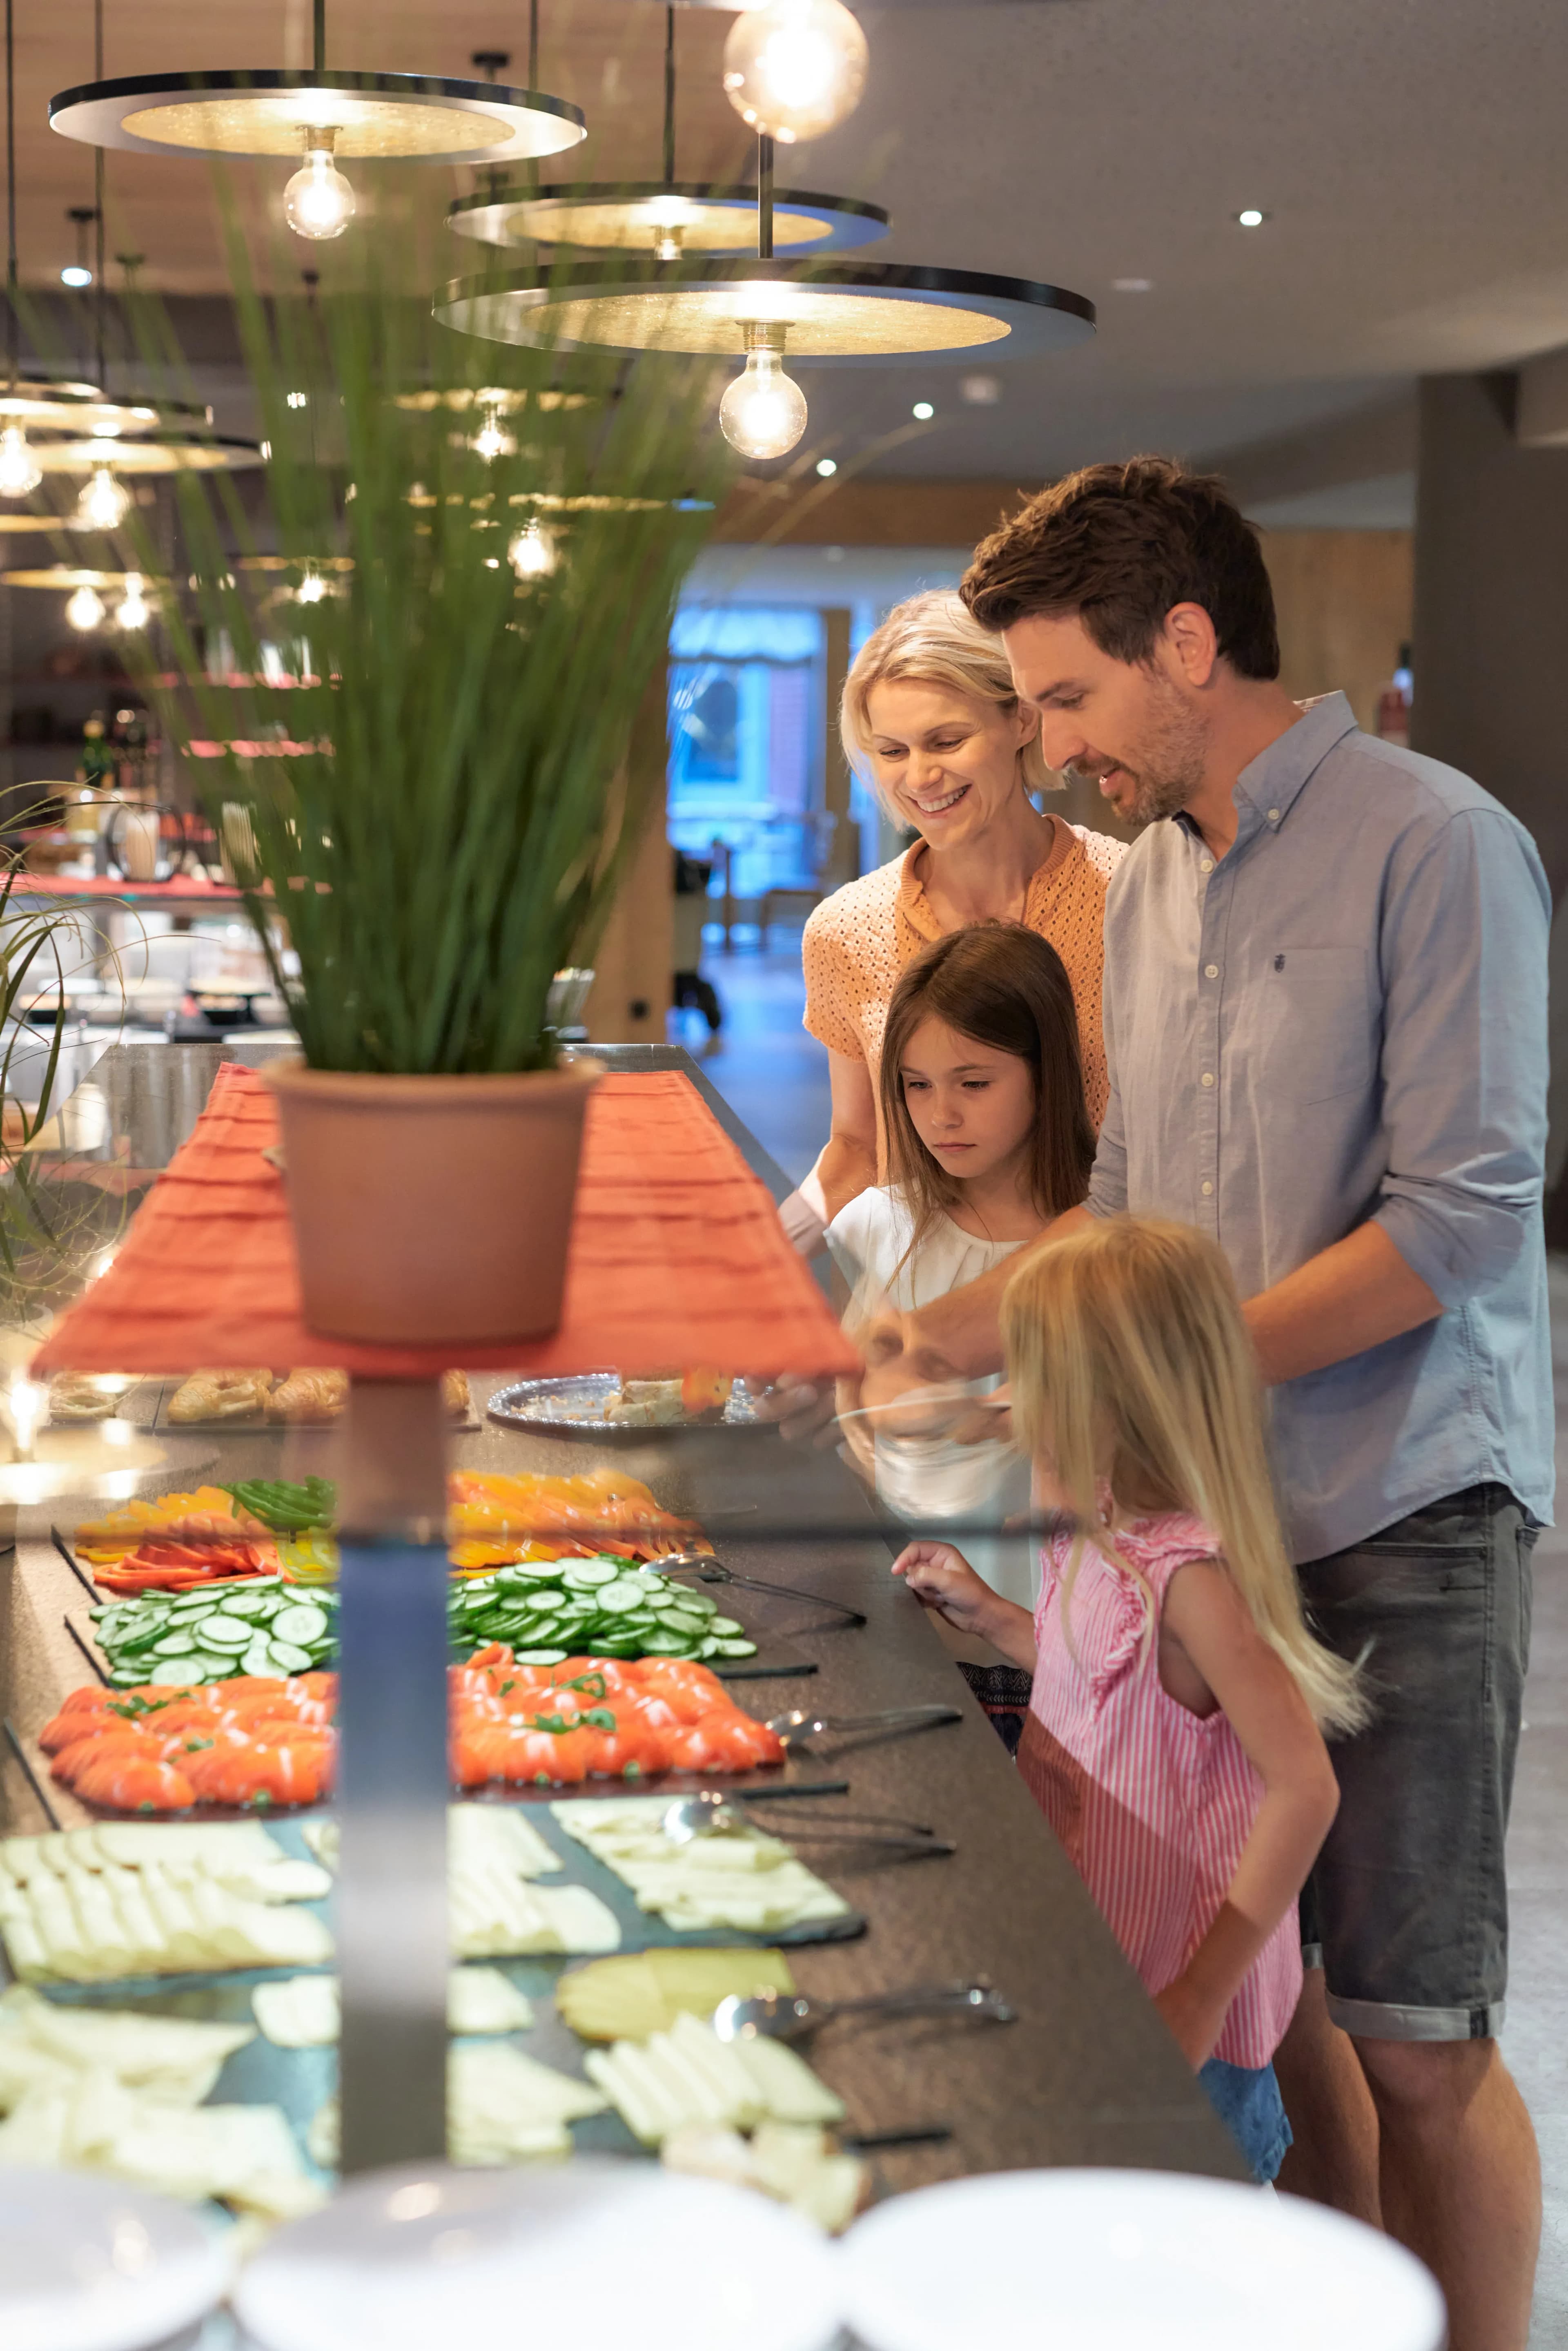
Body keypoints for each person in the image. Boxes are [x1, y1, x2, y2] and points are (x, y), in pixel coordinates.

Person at [868, 456, 1551, 2351]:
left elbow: (1463, 1229)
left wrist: (1156, 1364)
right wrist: (951, 1338)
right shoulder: (1154, 889)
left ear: (1187, 644)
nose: (1054, 748)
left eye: (1069, 697)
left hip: (1404, 1502)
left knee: (1415, 2035)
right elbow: (1132, 1221)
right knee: (1273, 1997)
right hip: (1207, 1516)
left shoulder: (1438, 842)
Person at [894, 1216, 1358, 2184]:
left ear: (1119, 1400)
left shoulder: (1194, 1580)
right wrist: (992, 1616)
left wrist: (1200, 1989)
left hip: (1182, 2006)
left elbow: (1305, 1789)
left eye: (1039, 1383)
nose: (1016, 1409)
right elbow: (1096, 1678)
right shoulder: (1090, 1532)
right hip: (1099, 1956)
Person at [779, 589, 1123, 1257]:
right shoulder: (844, 930)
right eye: (891, 751)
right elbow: (858, 1147)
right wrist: (766, 1252)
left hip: (1093, 1285)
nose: (920, 777)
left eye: (946, 740)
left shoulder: (1129, 896)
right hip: (919, 1284)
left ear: (1022, 719)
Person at [828, 922, 1095, 1742]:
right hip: (915, 1652)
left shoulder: (1105, 1244)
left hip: (1067, 1661)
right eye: (914, 1085)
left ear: (1046, 1077)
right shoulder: (879, 1225)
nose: (941, 1114)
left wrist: (997, 1414)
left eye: (974, 1082)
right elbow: (846, 1408)